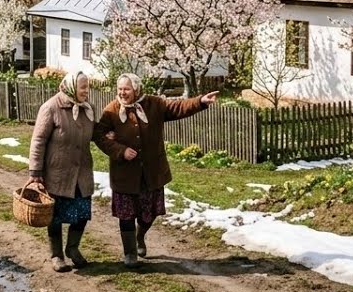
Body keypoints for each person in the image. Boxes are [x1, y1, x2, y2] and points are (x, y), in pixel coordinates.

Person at [96, 73, 218, 268]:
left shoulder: (153, 104)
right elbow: (99, 135)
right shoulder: (111, 110)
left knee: (149, 213)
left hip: (151, 171)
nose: (122, 93)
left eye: (126, 89)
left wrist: (200, 101)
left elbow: (178, 107)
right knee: (126, 214)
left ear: (136, 89)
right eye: (120, 89)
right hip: (125, 174)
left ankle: (140, 235)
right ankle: (130, 254)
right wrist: (120, 150)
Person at [27, 71, 102, 272]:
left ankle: (73, 249)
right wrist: (35, 171)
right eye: (83, 87)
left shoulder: (89, 109)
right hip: (57, 172)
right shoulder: (51, 107)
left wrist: (112, 139)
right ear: (70, 87)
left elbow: (95, 134)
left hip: (82, 171)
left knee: (82, 213)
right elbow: (38, 140)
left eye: (88, 87)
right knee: (56, 216)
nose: (87, 91)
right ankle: (56, 255)